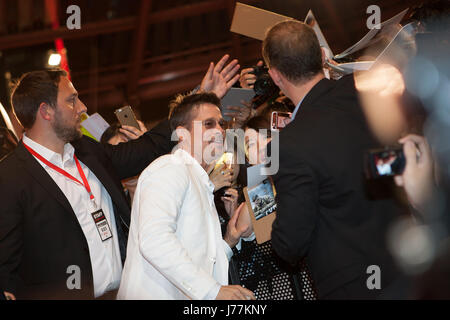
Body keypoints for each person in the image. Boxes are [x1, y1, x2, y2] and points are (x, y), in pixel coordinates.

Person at [0, 54, 241, 300]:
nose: (82, 108)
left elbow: (147, 147)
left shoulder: (89, 153)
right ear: (46, 111)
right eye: (72, 100)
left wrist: (194, 102)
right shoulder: (10, 178)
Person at [262, 21, 405, 299]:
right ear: (323, 58)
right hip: (410, 257)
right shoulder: (367, 92)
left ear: (276, 76)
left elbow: (290, 244)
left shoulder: (288, 144)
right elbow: (398, 160)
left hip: (355, 284)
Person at [117, 93, 255, 300]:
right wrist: (213, 291)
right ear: (182, 134)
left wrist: (229, 241)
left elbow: (199, 257)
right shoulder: (169, 167)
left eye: (221, 124)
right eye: (208, 124)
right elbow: (155, 240)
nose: (219, 130)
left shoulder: (199, 181)